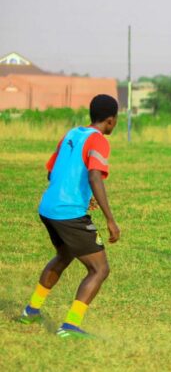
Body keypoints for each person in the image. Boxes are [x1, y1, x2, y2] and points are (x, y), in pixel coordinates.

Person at [18, 94, 122, 338]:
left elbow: (52, 172)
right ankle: (70, 326)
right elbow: (94, 176)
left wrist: (83, 197)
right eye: (115, 120)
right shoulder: (99, 140)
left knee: (64, 255)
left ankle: (31, 311)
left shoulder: (71, 134)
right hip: (68, 214)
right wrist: (110, 219)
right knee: (99, 269)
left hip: (48, 207)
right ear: (110, 120)